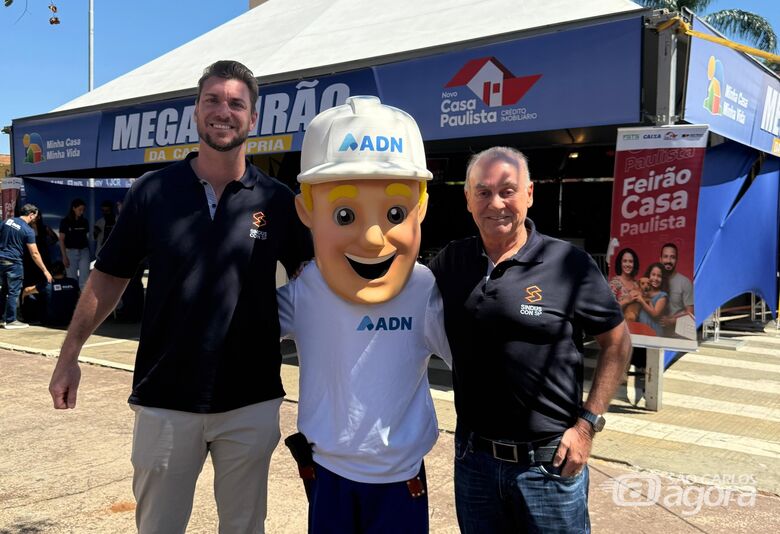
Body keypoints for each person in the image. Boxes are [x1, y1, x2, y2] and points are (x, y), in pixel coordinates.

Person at [48, 59, 313, 534]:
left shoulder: (278, 200)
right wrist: (69, 355)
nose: (223, 111)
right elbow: (108, 277)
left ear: (253, 118)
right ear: (195, 110)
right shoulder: (154, 191)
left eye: (236, 103)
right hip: (165, 398)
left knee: (244, 527)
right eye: (212, 100)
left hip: (250, 400)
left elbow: (314, 279)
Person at [428, 147, 631, 533]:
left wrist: (587, 425)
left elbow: (618, 344)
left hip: (549, 465)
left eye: (508, 190)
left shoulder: (569, 264)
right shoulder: (452, 261)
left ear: (530, 194)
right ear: (468, 199)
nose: (496, 203)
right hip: (475, 462)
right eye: (483, 192)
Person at [278, 96, 451, 533]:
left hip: (402, 476)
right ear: (307, 212)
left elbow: (479, 361)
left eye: (395, 213)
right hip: (328, 472)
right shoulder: (304, 289)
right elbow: (235, 326)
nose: (373, 239)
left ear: (421, 208)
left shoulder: (425, 288)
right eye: (344, 214)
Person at [1, 204, 53, 329]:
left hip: (1, 260)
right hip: (14, 262)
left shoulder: (7, 221)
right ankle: (11, 320)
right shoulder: (27, 230)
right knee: (14, 291)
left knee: (3, 290)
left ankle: (1, 317)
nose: (35, 219)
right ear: (31, 214)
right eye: (35, 216)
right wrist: (45, 270)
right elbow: (34, 253)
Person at [21, 260, 79, 326]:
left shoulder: (47, 284)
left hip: (50, 321)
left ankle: (28, 318)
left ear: (51, 272)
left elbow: (26, 290)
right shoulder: (73, 282)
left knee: (31, 296)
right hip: (69, 320)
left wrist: (22, 301)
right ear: (64, 271)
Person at [658, 242, 694, 337]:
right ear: (660, 259)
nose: (669, 260)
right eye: (665, 256)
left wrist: (671, 321)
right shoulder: (654, 281)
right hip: (656, 335)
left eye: (672, 257)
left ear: (676, 260)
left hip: (677, 338)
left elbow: (690, 313)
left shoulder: (685, 282)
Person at [59, 198, 91, 289]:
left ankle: (82, 301)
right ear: (73, 208)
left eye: (83, 210)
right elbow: (61, 239)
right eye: (79, 209)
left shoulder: (85, 222)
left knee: (84, 278)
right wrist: (64, 256)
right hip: (70, 252)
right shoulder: (65, 222)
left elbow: (87, 237)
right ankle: (73, 300)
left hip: (84, 251)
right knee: (71, 279)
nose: (81, 212)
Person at [636, 262, 669, 336]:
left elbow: (655, 314)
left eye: (659, 276)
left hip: (654, 332)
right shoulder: (642, 292)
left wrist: (641, 301)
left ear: (663, 279)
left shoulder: (662, 296)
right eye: (653, 275)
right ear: (648, 275)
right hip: (641, 331)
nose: (655, 278)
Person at [609, 247, 641, 321]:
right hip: (619, 327)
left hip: (636, 327)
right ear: (620, 263)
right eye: (625, 261)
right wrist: (626, 301)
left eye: (630, 261)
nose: (627, 264)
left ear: (634, 264)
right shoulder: (614, 283)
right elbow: (609, 309)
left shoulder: (637, 284)